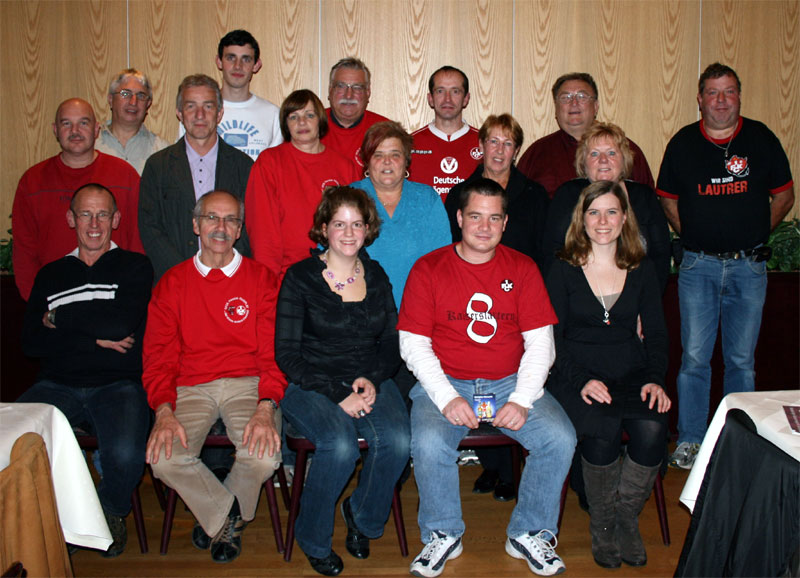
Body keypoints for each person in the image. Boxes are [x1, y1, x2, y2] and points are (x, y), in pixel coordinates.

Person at [399, 179, 576, 577]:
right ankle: (442, 533)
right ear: (459, 218)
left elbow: (541, 345)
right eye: (475, 216)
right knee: (428, 442)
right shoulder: (428, 269)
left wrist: (522, 399)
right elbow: (413, 344)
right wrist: (446, 397)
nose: (484, 226)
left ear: (505, 222)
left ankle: (529, 531)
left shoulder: (523, 268)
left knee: (559, 438)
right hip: (446, 381)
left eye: (494, 218)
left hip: (510, 381)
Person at [657, 62, 794, 469]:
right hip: (698, 267)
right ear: (699, 99)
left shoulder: (761, 139)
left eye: (728, 92)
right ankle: (691, 441)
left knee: (741, 361)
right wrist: (697, 237)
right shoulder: (683, 143)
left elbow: (784, 197)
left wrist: (752, 232)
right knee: (695, 359)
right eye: (712, 93)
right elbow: (668, 200)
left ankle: (742, 443)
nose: (720, 100)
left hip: (748, 268)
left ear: (739, 96)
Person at [275, 186, 410, 576]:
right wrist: (338, 394)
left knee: (399, 441)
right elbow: (287, 355)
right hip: (311, 382)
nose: (349, 233)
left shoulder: (377, 273)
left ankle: (362, 516)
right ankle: (312, 537)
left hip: (368, 376)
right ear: (323, 228)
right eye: (339, 224)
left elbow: (390, 340)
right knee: (339, 447)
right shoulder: (300, 278)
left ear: (368, 230)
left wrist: (372, 378)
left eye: (357, 224)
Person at [143, 190, 284, 564]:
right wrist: (163, 410)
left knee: (264, 457)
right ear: (195, 225)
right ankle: (226, 517)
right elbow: (158, 358)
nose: (220, 228)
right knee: (163, 458)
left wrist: (266, 406)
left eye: (230, 220)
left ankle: (215, 516)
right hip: (190, 385)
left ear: (239, 230)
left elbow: (274, 353)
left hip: (248, 382)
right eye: (211, 218)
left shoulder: (262, 279)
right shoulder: (172, 283)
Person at [19, 183, 153, 557]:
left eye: (103, 215)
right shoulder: (50, 275)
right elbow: (31, 342)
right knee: (11, 436)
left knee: (126, 455)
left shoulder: (135, 266)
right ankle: (48, 518)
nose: (94, 224)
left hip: (118, 383)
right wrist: (93, 339)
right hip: (56, 383)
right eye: (85, 214)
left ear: (116, 219)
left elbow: (121, 325)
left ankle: (106, 512)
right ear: (70, 218)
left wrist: (59, 316)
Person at [545, 180, 671, 569]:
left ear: (624, 218)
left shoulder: (642, 266)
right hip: (574, 373)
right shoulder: (562, 266)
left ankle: (625, 519)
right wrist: (581, 379)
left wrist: (655, 378)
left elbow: (657, 332)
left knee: (653, 427)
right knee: (602, 426)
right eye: (594, 212)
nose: (603, 220)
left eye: (612, 211)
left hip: (630, 369)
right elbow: (552, 339)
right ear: (581, 219)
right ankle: (602, 525)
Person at [444, 113, 549, 502]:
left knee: (510, 377)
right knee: (478, 373)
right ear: (481, 146)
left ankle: (509, 472)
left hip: (520, 294)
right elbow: (451, 251)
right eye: (493, 142)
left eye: (508, 143)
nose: (499, 150)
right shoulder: (460, 193)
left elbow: (543, 252)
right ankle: (492, 466)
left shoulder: (534, 195)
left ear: (516, 150)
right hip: (473, 297)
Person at [12, 98, 143, 300]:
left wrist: (132, 304)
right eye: (66, 123)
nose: (75, 131)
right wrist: (38, 305)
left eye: (83, 123)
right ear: (55, 129)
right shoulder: (33, 182)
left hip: (114, 301)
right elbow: (24, 255)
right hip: (54, 300)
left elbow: (138, 244)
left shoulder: (125, 176)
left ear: (96, 129)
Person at [139, 74, 253, 282]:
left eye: (208, 107)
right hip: (174, 281)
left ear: (219, 113)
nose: (200, 115)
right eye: (191, 106)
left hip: (230, 280)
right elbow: (150, 228)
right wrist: (184, 274)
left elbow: (250, 227)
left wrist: (226, 270)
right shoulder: (158, 166)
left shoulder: (243, 166)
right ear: (179, 113)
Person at [245, 89, 360, 279]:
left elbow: (356, 228)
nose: (302, 122)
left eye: (309, 115)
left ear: (320, 120)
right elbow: (263, 232)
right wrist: (268, 282)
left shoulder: (344, 167)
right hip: (287, 276)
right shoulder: (269, 163)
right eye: (293, 117)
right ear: (285, 124)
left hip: (336, 275)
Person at [542, 122, 671, 289]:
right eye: (594, 154)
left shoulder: (644, 198)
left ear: (624, 159)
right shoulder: (567, 196)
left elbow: (661, 257)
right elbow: (551, 254)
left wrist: (646, 302)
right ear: (583, 162)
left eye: (611, 153)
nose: (603, 160)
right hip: (578, 297)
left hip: (636, 297)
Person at [351, 121, 451, 309]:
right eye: (378, 155)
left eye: (395, 155)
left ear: (406, 160)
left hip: (417, 311)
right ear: (367, 161)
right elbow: (328, 259)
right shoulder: (349, 198)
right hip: (359, 314)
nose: (387, 162)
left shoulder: (427, 199)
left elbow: (443, 262)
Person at [516, 73, 653, 197]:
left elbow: (647, 204)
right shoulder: (537, 153)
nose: (574, 103)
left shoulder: (626, 150)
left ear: (596, 106)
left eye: (582, 97)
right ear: (556, 108)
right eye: (565, 98)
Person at [181, 30, 282, 160]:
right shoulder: (194, 112)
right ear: (219, 61)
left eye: (246, 59)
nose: (238, 66)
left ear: (256, 65)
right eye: (231, 58)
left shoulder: (273, 115)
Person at [409, 66, 482, 202]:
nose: (447, 99)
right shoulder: (408, 144)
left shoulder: (485, 143)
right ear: (430, 98)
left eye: (455, 91)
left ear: (466, 98)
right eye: (440, 91)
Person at [96, 68, 169, 174]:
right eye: (125, 94)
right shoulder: (92, 144)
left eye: (141, 95)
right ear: (110, 99)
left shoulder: (161, 150)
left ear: (148, 104)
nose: (133, 102)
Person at [322, 57, 389, 171]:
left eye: (357, 88)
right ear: (330, 90)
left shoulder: (386, 131)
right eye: (341, 86)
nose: (348, 95)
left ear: (368, 92)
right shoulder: (310, 127)